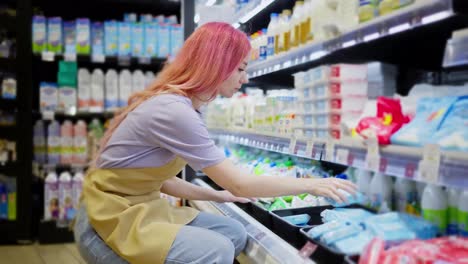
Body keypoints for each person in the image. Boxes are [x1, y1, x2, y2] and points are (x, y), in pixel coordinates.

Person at [74, 22, 356, 264]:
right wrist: (310, 184)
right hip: (107, 222)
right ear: (217, 64)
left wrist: (219, 197)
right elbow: (240, 184)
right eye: (241, 69)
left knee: (234, 232)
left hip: (136, 209)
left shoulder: (186, 106)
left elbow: (162, 180)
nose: (245, 79)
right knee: (217, 249)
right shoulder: (175, 110)